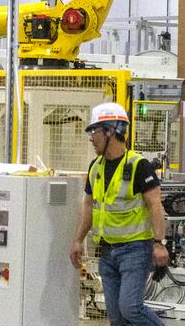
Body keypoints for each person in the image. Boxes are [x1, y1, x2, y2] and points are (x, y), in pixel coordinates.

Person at [69, 102, 169, 326]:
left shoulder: (138, 166)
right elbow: (88, 205)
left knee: (131, 308)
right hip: (107, 251)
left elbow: (155, 205)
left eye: (94, 131)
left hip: (135, 250)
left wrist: (159, 243)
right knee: (116, 317)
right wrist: (78, 240)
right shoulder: (96, 167)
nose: (91, 138)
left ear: (111, 131)